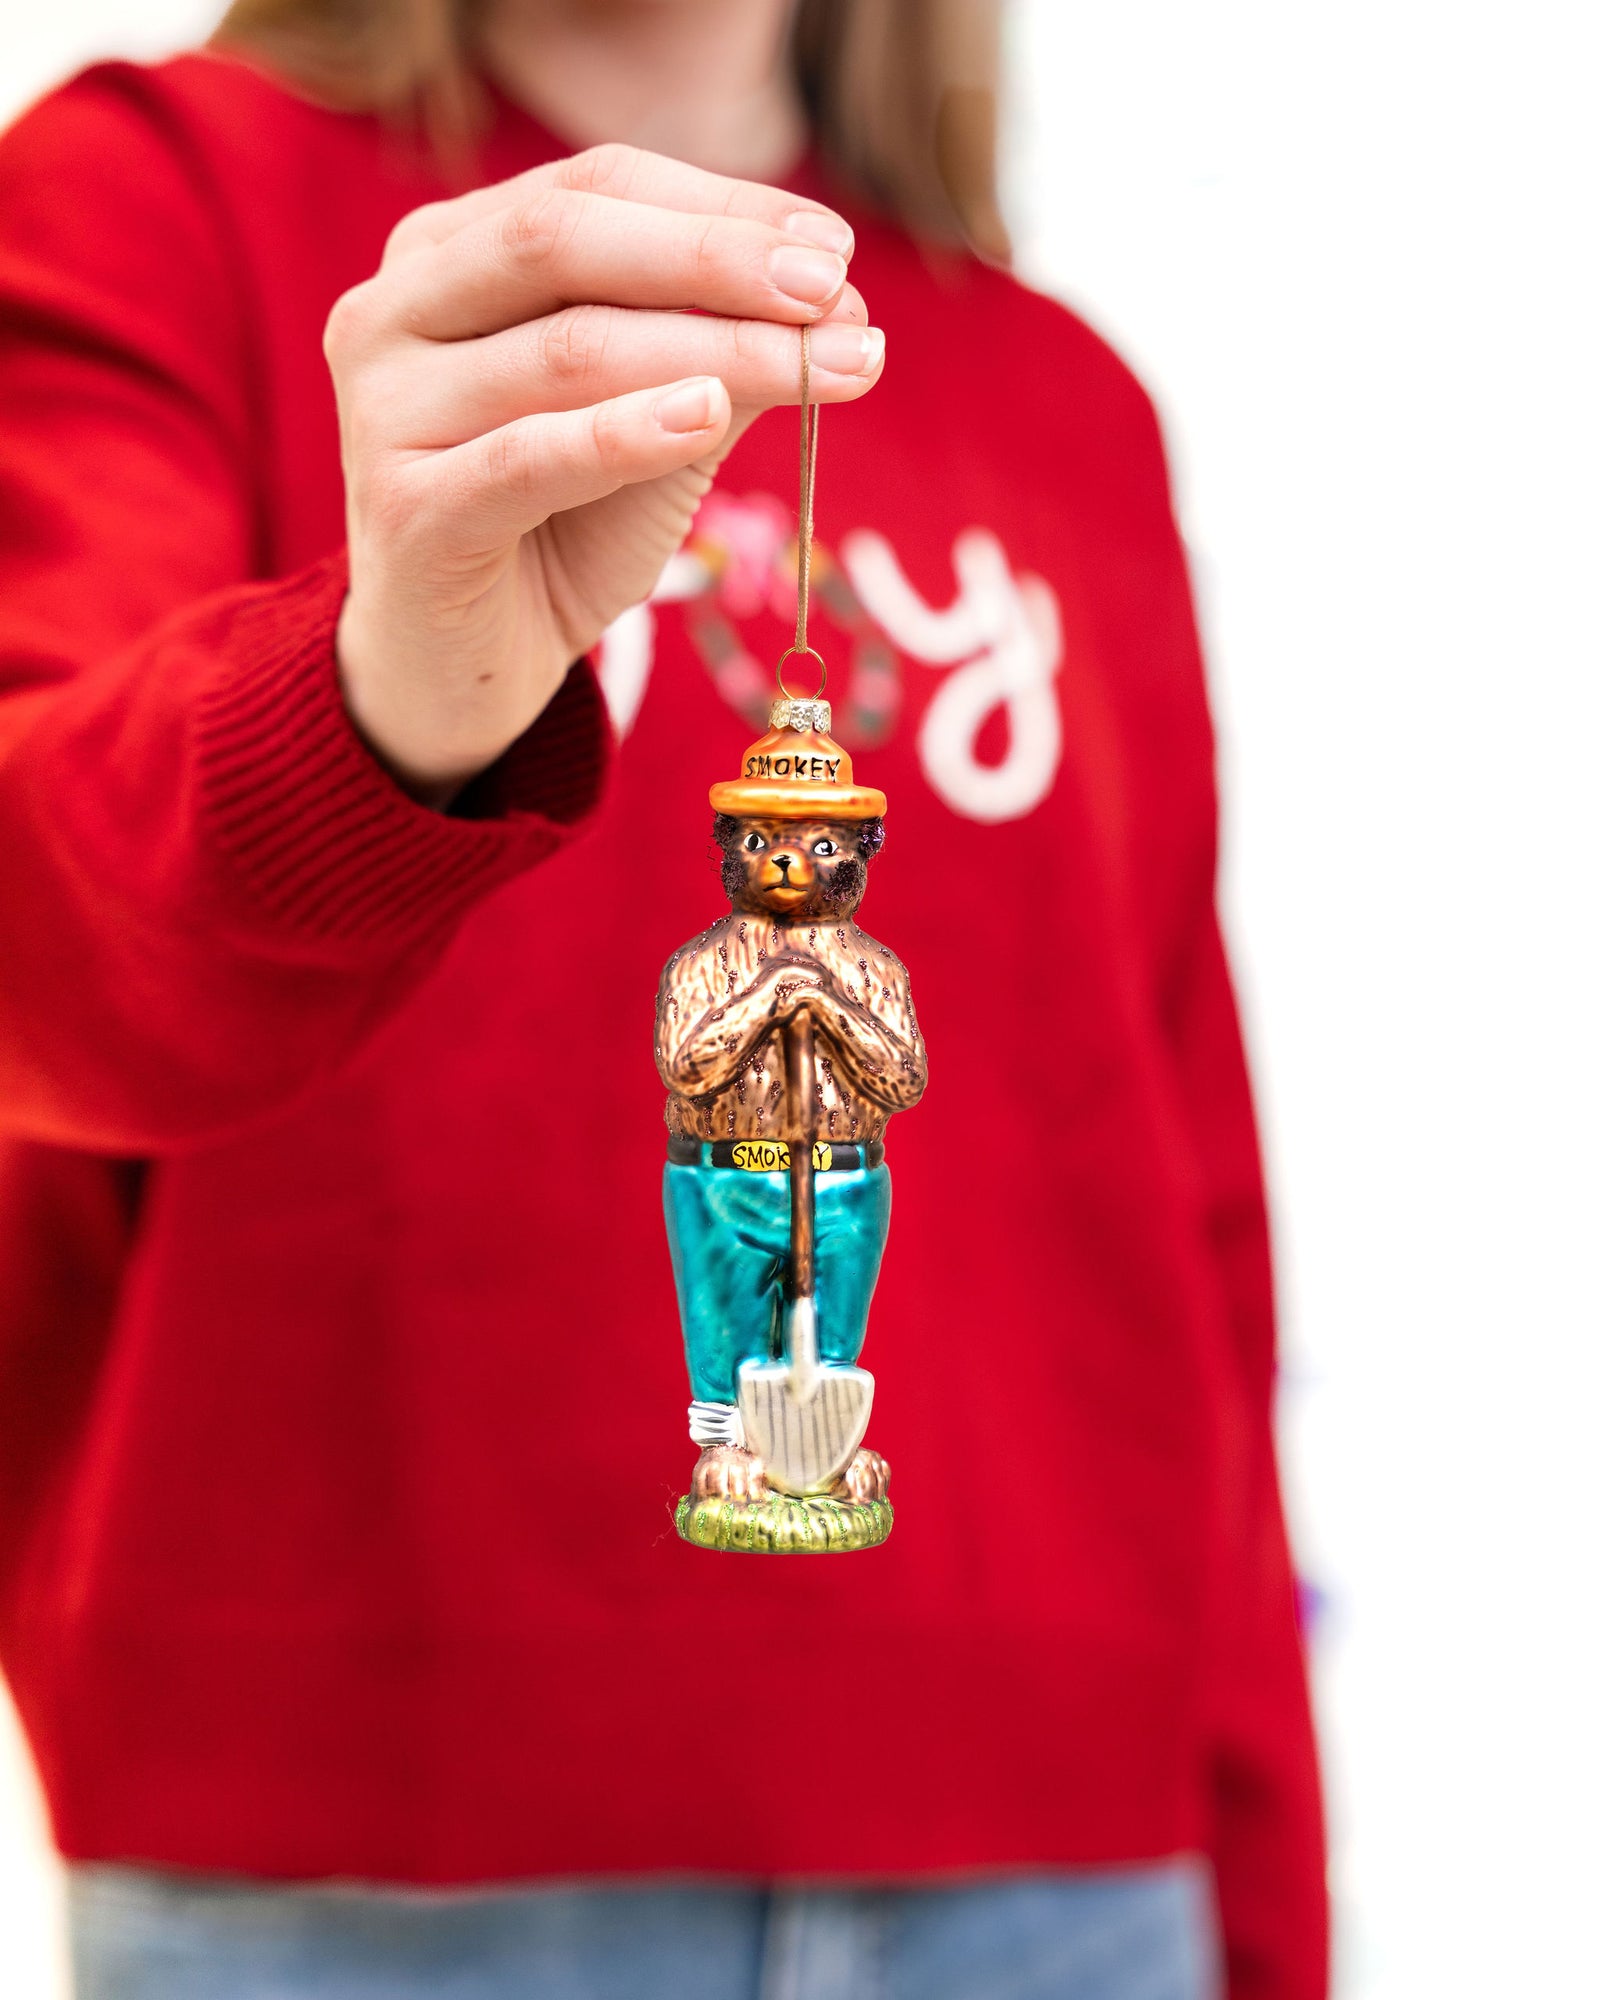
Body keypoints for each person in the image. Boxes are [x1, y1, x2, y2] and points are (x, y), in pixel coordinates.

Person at [0, 1, 1326, 1994]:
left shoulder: (1067, 412)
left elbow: (1185, 1234)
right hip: (366, 1873)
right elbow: (49, 952)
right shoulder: (144, 212)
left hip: (1063, 1874)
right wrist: (381, 711)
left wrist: (1262, 1896)